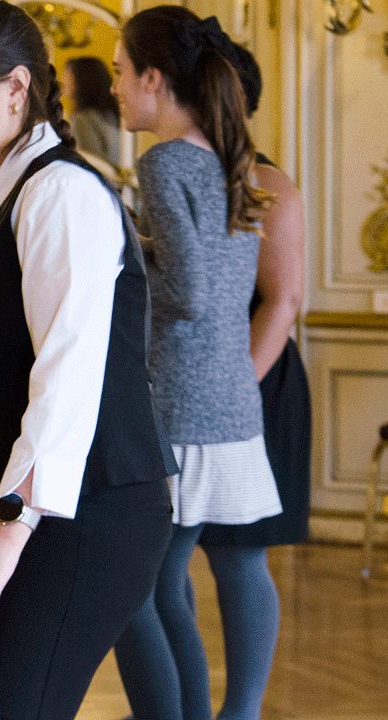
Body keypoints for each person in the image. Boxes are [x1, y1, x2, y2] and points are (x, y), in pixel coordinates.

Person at [0, 4, 178, 718]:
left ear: (15, 88)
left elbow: (67, 379)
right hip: (37, 506)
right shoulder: (10, 198)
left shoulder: (60, 195)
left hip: (90, 514)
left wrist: (7, 532)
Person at [109, 10, 283, 720]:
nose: (117, 87)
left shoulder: (163, 161)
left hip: (182, 405)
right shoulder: (225, 156)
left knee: (137, 587)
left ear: (154, 79)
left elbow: (185, 293)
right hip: (229, 401)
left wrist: (127, 253)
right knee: (161, 579)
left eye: (120, 73)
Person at [63, 56, 120, 168]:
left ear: (82, 80)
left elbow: (91, 164)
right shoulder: (111, 116)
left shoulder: (81, 120)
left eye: (68, 75)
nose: (63, 80)